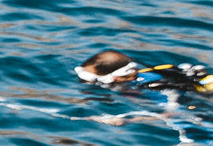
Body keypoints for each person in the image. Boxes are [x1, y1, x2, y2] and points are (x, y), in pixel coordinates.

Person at [76, 49, 213, 94]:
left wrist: (127, 120)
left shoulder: (151, 87)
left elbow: (172, 112)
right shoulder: (153, 72)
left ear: (115, 78)